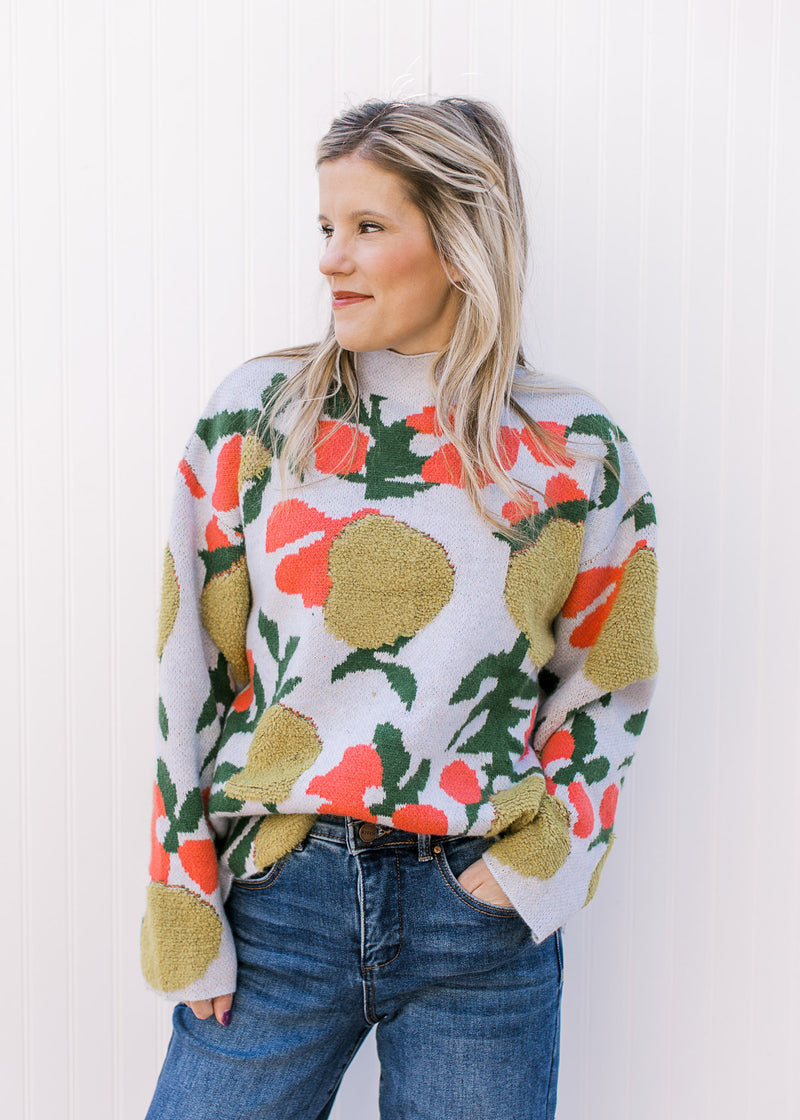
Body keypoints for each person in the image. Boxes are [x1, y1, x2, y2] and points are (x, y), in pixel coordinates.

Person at [142, 97, 658, 1120]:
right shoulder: (258, 416)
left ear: (461, 244)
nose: (332, 258)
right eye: (325, 227)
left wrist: (532, 871)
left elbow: (608, 673)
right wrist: (183, 903)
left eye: (368, 228)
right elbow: (187, 673)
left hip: (476, 919)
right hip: (277, 901)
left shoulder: (572, 445)